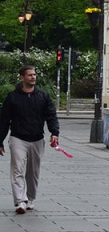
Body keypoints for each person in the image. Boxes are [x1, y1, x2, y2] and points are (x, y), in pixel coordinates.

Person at [0, 66, 60, 214]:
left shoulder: (43, 96)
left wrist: (54, 132)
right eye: (29, 75)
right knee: (17, 169)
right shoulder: (12, 97)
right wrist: (0, 140)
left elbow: (51, 115)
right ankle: (20, 201)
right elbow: (4, 120)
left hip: (37, 139)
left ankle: (30, 199)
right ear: (21, 77)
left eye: (34, 75)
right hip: (18, 138)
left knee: (33, 172)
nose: (33, 77)